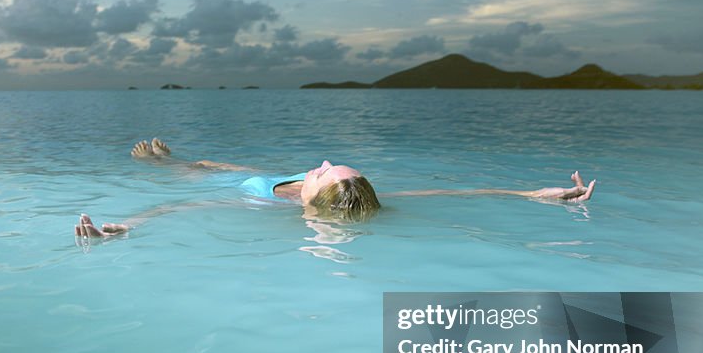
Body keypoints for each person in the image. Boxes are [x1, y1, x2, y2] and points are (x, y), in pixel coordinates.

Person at [74, 137, 596, 239]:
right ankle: (183, 154)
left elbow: (177, 209)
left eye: (324, 171)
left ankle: (169, 158)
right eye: (332, 165)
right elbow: (462, 194)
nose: (323, 162)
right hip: (265, 171)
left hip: (248, 182)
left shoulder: (268, 209)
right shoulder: (326, 195)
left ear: (311, 200)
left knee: (199, 170)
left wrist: (127, 226)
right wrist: (531, 194)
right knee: (214, 159)